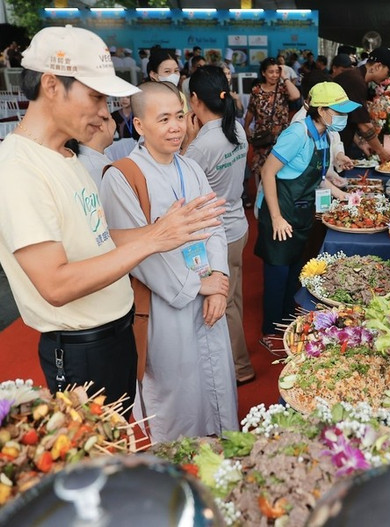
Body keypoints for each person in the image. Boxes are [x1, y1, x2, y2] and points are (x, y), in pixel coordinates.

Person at [0, 26, 224, 412]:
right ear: (51, 85)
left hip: (113, 333)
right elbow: (56, 283)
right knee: (98, 456)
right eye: (94, 96)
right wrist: (153, 240)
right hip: (81, 348)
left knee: (120, 442)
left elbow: (96, 237)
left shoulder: (66, 157)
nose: (101, 112)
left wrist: (160, 231)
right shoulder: (18, 170)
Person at [101, 81, 238, 441]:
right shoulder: (123, 176)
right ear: (139, 125)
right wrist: (197, 285)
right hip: (167, 306)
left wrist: (219, 281)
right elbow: (137, 254)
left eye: (179, 116)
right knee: (178, 396)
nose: (176, 127)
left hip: (209, 295)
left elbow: (215, 225)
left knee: (217, 389)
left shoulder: (190, 168)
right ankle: (181, 475)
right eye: (163, 119)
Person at [255, 82, 360, 351]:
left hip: (301, 213)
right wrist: (277, 218)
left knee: (293, 274)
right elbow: (267, 172)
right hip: (282, 210)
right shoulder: (298, 134)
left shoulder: (323, 136)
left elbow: (319, 178)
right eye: (338, 111)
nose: (342, 117)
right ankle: (270, 332)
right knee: (277, 275)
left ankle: (288, 325)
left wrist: (343, 196)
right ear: (321, 110)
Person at [181, 66, 255, 385]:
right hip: (237, 226)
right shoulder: (237, 130)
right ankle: (235, 364)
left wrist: (188, 140)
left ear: (194, 100)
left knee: (221, 305)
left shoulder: (200, 147)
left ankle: (239, 367)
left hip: (214, 238)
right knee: (232, 300)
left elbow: (183, 186)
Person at [333, 47, 390, 161]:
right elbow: (363, 125)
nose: (388, 77)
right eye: (388, 72)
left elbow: (348, 117)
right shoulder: (356, 81)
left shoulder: (355, 77)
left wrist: (360, 143)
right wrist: (381, 151)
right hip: (332, 145)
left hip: (338, 142)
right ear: (377, 66)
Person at [244, 57, 300, 187]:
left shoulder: (282, 88)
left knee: (280, 169)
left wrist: (285, 78)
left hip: (281, 138)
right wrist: (246, 127)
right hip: (262, 136)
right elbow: (251, 110)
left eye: (277, 72)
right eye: (271, 72)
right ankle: (262, 198)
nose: (274, 75)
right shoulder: (256, 90)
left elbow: (296, 95)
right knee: (261, 170)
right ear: (263, 73)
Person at [76, 115, 115, 187]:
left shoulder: (84, 160)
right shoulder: (96, 169)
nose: (114, 123)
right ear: (101, 125)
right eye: (111, 117)